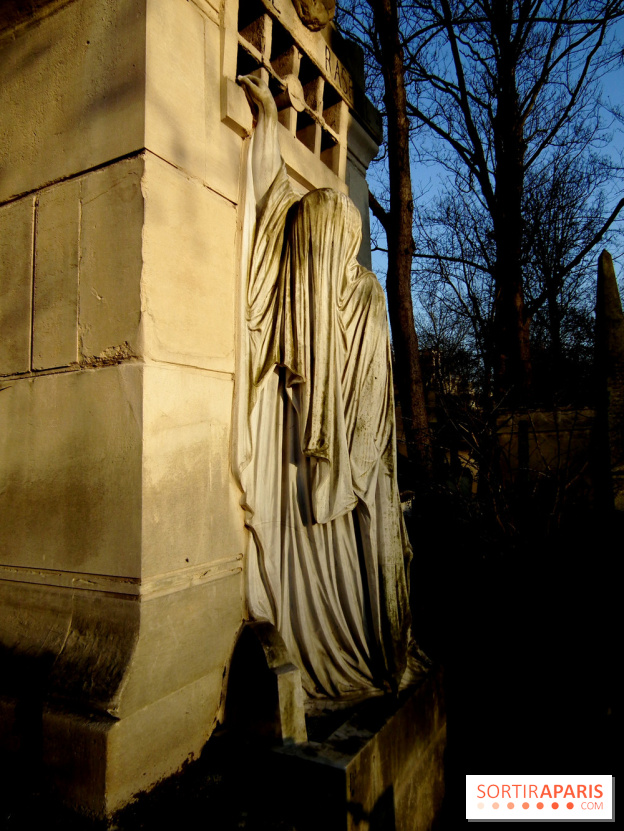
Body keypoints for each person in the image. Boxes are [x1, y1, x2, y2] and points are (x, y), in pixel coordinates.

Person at [233, 74, 418, 699]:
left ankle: (354, 642)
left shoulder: (364, 296)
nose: (308, 260)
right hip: (312, 475)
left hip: (343, 482)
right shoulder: (308, 273)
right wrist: (267, 122)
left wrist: (345, 464)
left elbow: (370, 415)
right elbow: (273, 202)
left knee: (344, 565)